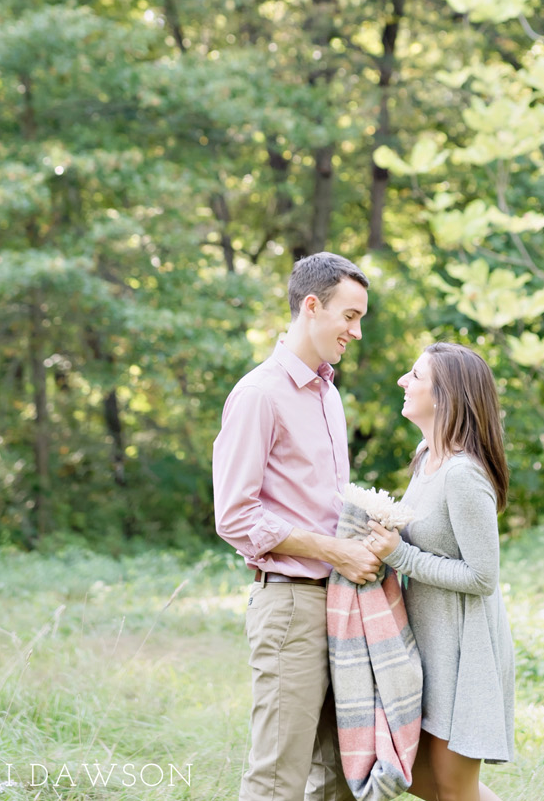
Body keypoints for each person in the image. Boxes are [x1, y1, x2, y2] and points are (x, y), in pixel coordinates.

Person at [213, 251, 382, 801]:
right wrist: (335, 551)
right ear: (312, 306)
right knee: (277, 777)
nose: (356, 331)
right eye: (350, 316)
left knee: (340, 775)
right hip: (291, 606)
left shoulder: (329, 393)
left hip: (340, 603)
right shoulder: (260, 394)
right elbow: (235, 515)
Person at [365, 343, 515, 801]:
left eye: (414, 375)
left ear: (446, 395)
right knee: (423, 782)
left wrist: (400, 556)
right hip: (427, 645)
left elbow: (482, 577)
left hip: (463, 650)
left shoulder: (463, 474)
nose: (402, 382)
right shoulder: (425, 457)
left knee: (453, 789)